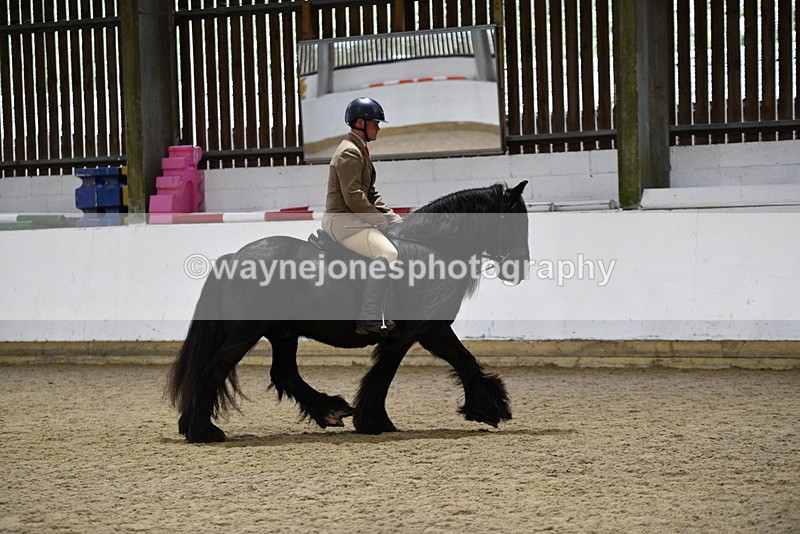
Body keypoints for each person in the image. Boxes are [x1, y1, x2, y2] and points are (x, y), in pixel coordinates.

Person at [322, 97, 403, 335]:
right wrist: (380, 222)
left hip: (353, 220)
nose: (378, 128)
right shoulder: (349, 152)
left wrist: (394, 219)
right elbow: (354, 197)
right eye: (375, 123)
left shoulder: (359, 149)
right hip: (343, 222)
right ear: (360, 123)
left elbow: (371, 193)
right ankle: (368, 316)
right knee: (388, 253)